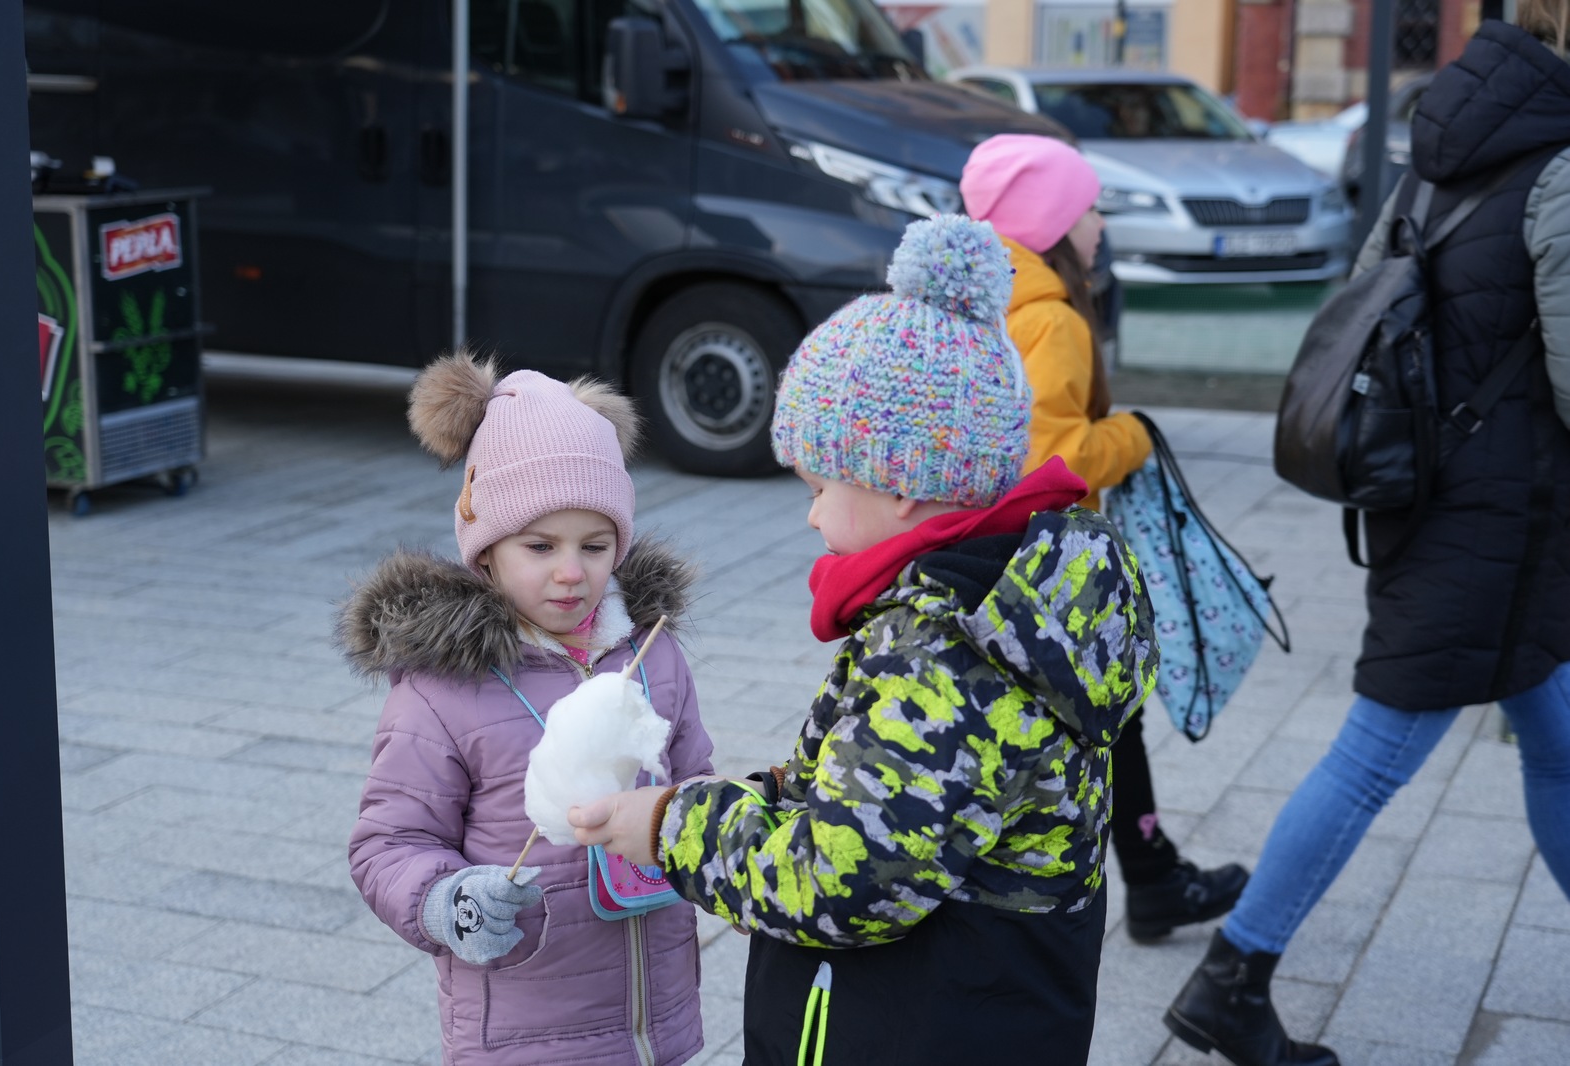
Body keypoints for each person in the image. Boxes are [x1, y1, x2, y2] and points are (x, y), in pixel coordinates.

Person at [565, 214, 1160, 1065]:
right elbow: (888, 796)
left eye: (817, 482)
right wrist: (767, 797)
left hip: (911, 1026)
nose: (808, 513)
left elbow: (844, 880)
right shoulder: (993, 602)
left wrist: (671, 826)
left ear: (901, 489)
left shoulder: (952, 653)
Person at [1161, 11, 1570, 1066]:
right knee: (1379, 750)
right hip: (1497, 518)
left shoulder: (1448, 141)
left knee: (1557, 733)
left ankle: (1235, 976)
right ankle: (1233, 979)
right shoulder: (1561, 165)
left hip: (1428, 491)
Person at [340, 357, 714, 1066]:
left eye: (594, 545)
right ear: (486, 555)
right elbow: (386, 844)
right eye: (539, 547)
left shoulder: (653, 655)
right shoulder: (440, 688)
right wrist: (445, 902)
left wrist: (720, 841)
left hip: (654, 1018)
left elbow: (694, 778)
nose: (570, 570)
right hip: (524, 1030)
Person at [960, 132, 1251, 943]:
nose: (1099, 223)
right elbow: (1052, 457)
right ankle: (1148, 878)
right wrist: (1130, 435)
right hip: (1043, 556)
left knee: (1095, 719)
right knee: (1105, 719)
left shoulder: (982, 297)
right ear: (1049, 218)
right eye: (1090, 206)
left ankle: (1151, 875)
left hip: (982, 550)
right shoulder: (1051, 318)